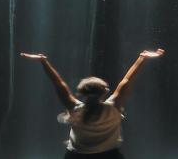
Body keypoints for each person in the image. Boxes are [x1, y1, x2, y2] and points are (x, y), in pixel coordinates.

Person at [20, 48, 165, 158]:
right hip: (109, 156)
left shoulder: (75, 109)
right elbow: (127, 81)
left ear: (81, 92)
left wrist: (43, 61)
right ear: (104, 92)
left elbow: (59, 84)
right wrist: (143, 58)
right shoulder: (113, 108)